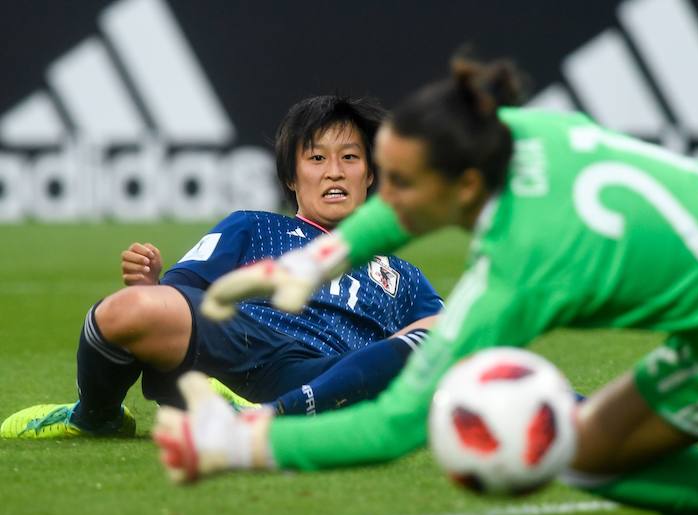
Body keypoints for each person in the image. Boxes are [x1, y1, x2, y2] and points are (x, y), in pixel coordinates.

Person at [154, 58, 698, 515]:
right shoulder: (520, 128)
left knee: (587, 454)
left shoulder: (518, 267)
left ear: (467, 187)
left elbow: (395, 426)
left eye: (402, 182)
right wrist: (319, 260)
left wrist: (241, 442)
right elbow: (411, 203)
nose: (389, 197)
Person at [1, 95, 442, 439]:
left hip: (332, 372)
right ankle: (94, 418)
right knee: (128, 308)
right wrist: (152, 287)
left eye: (350, 158)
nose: (334, 172)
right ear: (291, 177)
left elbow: (450, 337)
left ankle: (274, 414)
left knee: (439, 334)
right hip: (244, 348)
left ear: (370, 175)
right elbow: (180, 294)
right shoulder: (252, 226)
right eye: (316, 158)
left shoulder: (401, 274)